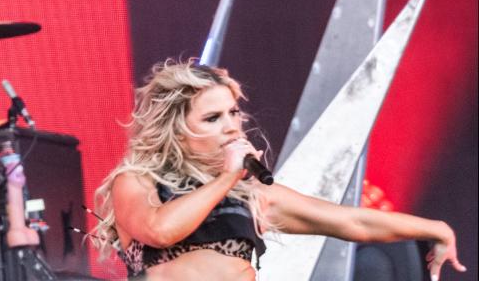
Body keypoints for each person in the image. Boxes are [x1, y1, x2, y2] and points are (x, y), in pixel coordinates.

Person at [94, 60, 466, 280]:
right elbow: (161, 230)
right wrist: (227, 177)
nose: (231, 126)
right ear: (176, 128)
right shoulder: (138, 183)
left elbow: (353, 223)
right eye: (212, 117)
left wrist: (434, 228)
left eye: (233, 113)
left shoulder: (252, 196)